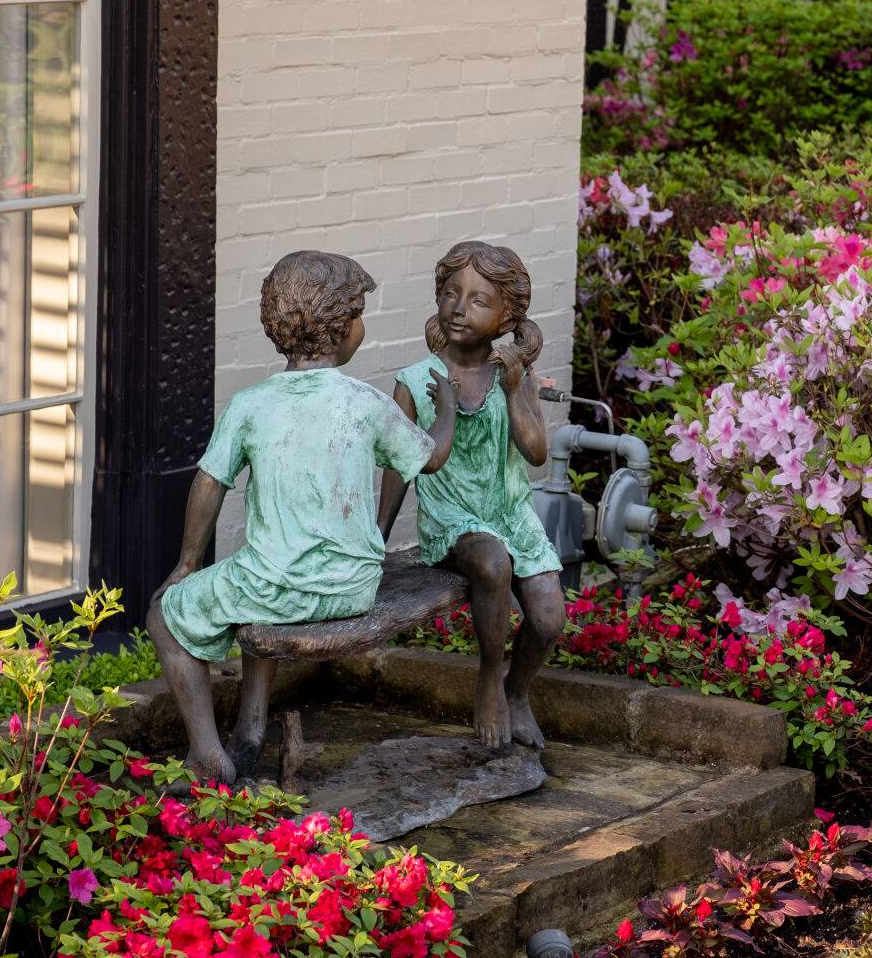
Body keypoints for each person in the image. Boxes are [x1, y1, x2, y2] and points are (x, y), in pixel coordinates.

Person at [149, 251, 456, 785]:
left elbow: (209, 485)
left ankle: (207, 753)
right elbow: (430, 458)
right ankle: (249, 728)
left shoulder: (251, 404)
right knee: (254, 580)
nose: (362, 324)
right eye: (358, 312)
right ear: (339, 327)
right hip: (352, 586)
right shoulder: (365, 401)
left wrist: (186, 565)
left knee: (163, 613)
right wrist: (447, 409)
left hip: (275, 585)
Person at [379, 241, 567, 751]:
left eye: (479, 300)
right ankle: (488, 681)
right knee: (490, 561)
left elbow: (536, 455)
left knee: (550, 618)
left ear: (507, 316)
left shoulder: (516, 375)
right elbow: (399, 468)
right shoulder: (416, 382)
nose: (460, 307)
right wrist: (378, 537)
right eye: (450, 293)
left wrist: (511, 389)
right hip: (452, 515)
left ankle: (517, 692)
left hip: (510, 511)